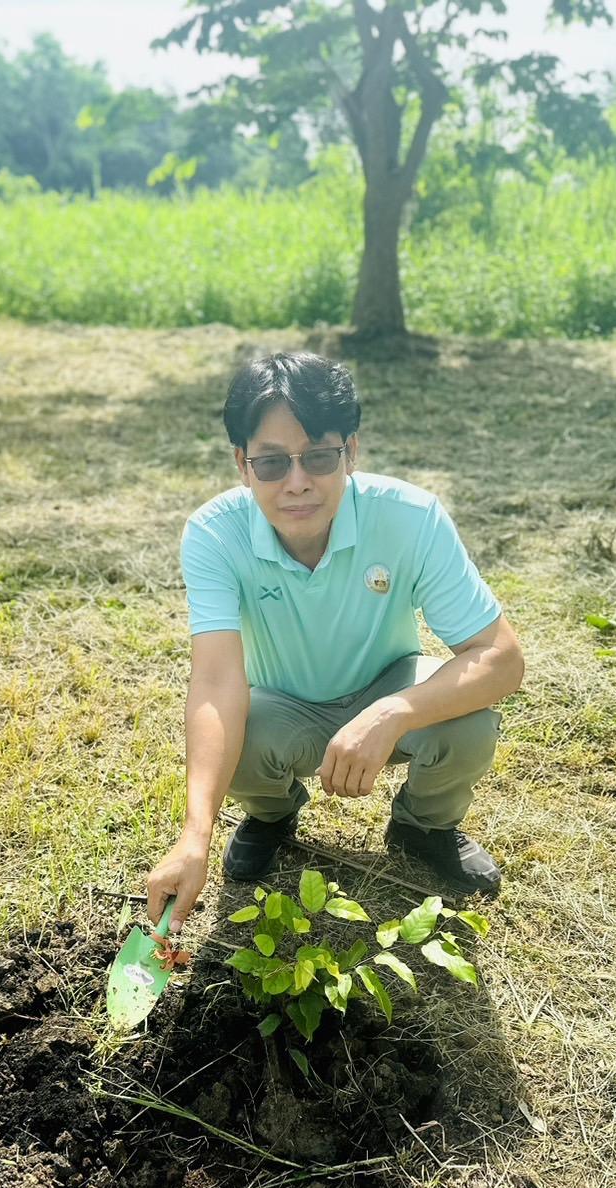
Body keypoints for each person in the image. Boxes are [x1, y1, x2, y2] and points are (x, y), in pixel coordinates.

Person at [145, 351, 524, 935]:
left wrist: (393, 712)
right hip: (283, 705)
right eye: (271, 463)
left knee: (469, 721)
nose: (297, 482)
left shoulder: (410, 517)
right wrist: (195, 835)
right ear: (242, 464)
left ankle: (423, 825)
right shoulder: (214, 533)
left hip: (389, 684)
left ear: (351, 450)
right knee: (239, 731)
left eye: (319, 457)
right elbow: (218, 682)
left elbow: (500, 658)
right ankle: (271, 816)